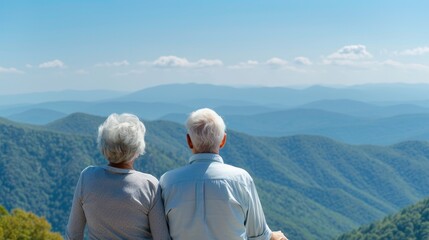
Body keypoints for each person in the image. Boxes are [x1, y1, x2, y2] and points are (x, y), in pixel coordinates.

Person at [160, 108, 288, 240]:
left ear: (189, 141)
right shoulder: (241, 179)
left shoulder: (168, 181)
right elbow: (258, 235)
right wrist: (274, 236)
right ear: (223, 140)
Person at [66, 113, 170, 240]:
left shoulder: (87, 177)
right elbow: (162, 237)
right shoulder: (149, 185)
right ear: (137, 149)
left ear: (103, 146)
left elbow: (73, 234)